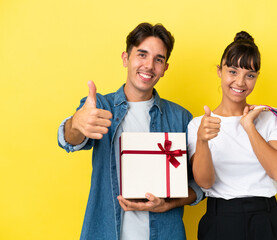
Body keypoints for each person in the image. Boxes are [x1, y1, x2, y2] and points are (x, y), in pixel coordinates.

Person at [58, 22, 202, 240]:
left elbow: (199, 185)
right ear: (126, 58)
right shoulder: (99, 106)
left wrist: (168, 204)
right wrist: (76, 122)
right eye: (142, 55)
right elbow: (69, 140)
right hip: (106, 232)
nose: (149, 65)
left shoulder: (181, 118)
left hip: (165, 233)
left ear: (165, 68)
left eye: (158, 59)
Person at [187, 31, 277, 240]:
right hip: (220, 220)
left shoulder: (269, 119)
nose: (240, 82)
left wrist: (249, 126)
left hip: (266, 219)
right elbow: (205, 182)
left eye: (249, 75)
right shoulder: (199, 125)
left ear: (256, 78)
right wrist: (202, 141)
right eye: (233, 71)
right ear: (219, 70)